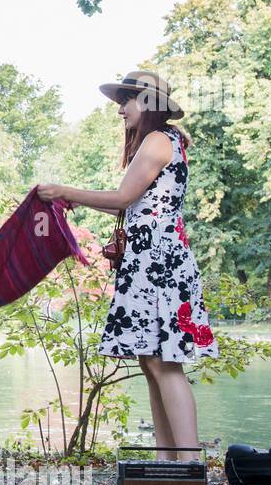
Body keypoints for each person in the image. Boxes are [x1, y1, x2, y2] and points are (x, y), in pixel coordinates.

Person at [37, 70, 217, 461]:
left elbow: (122, 197)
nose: (120, 109)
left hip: (158, 261)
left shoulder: (156, 140)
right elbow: (132, 202)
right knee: (154, 359)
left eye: (126, 100)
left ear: (148, 103)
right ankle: (169, 461)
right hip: (154, 258)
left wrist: (64, 191)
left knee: (165, 363)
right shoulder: (169, 141)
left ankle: (188, 462)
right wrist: (76, 200)